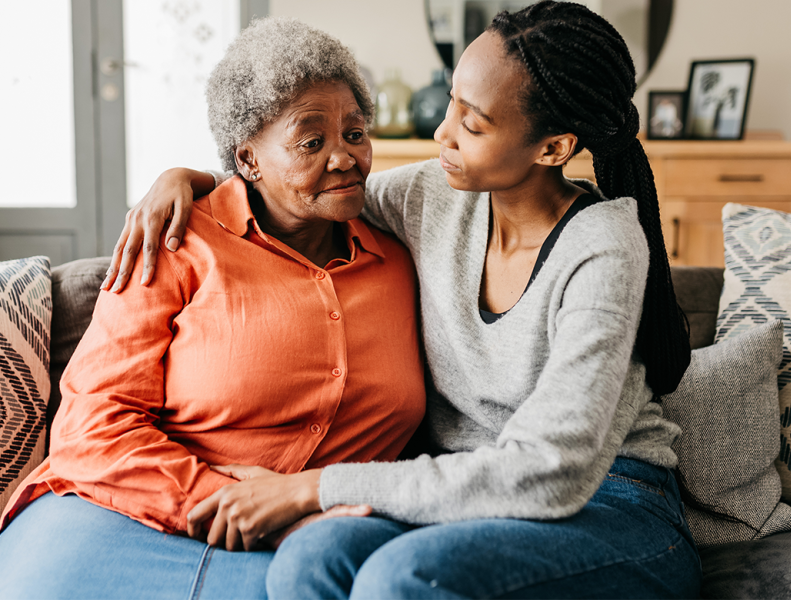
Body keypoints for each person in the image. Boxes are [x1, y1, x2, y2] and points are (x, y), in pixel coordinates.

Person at [104, 2, 704, 598]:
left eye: (472, 124)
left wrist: (312, 488)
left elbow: (551, 472)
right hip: (463, 503)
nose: (442, 133)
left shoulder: (604, 244)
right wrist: (189, 179)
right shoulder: (433, 196)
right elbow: (305, 187)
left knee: (405, 579)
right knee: (309, 558)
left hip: (610, 503)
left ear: (553, 148)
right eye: (451, 103)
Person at [0, 17, 427, 599]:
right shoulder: (176, 240)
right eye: (312, 141)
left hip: (315, 543)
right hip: (120, 515)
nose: (345, 157)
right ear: (247, 159)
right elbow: (89, 428)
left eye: (355, 133)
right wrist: (225, 495)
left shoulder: (403, 255)